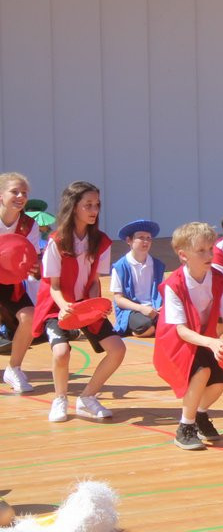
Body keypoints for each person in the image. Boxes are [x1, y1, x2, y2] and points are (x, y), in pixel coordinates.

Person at [32, 181, 126, 422]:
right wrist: (65, 308)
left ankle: (87, 397)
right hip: (58, 306)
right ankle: (60, 398)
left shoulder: (101, 241)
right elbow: (52, 287)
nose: (94, 210)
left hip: (86, 306)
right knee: (61, 352)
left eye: (97, 205)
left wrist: (94, 305)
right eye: (88, 205)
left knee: (117, 349)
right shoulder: (57, 241)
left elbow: (94, 280)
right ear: (74, 207)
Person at [153, 221, 223, 449]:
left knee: (219, 382)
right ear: (183, 255)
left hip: (204, 338)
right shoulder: (174, 284)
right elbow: (180, 330)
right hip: (176, 341)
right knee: (202, 372)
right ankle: (185, 427)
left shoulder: (219, 278)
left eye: (210, 248)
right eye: (201, 250)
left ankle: (199, 414)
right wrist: (212, 342)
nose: (209, 254)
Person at [0, 172, 41, 393]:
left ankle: (13, 368)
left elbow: (30, 258)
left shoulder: (29, 225)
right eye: (14, 191)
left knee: (30, 316)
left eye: (24, 193)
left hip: (9, 280)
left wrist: (32, 267)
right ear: (0, 195)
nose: (20, 196)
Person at [109, 219, 165, 337]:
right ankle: (136, 328)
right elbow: (118, 299)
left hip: (154, 309)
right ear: (129, 240)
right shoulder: (120, 267)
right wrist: (141, 308)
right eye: (141, 237)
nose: (146, 241)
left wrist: (162, 307)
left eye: (148, 238)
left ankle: (150, 327)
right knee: (145, 326)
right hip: (132, 310)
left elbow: (164, 293)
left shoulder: (158, 265)